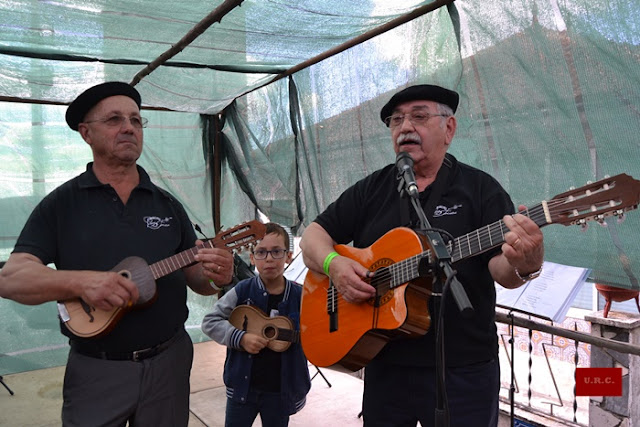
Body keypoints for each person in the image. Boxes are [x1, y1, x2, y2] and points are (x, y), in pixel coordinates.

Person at [299, 84, 545, 426]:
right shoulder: (372, 189)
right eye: (396, 120)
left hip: (463, 369)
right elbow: (312, 237)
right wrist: (334, 264)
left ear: (449, 129)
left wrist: (527, 264)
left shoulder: (480, 189)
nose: (405, 127)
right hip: (385, 363)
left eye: (418, 116)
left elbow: (502, 270)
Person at [0, 81, 234, 426]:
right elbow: (11, 278)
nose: (129, 127)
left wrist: (216, 277)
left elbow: (197, 279)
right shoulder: (62, 204)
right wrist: (81, 283)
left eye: (136, 120)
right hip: (96, 369)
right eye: (114, 119)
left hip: (169, 363)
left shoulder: (167, 205)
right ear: (86, 133)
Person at [201, 222, 311, 427]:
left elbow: (318, 329)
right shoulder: (242, 290)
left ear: (288, 256)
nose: (269, 258)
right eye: (261, 252)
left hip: (280, 393)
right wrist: (240, 338)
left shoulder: (302, 296)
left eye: (276, 251)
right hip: (242, 391)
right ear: (252, 258)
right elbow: (210, 322)